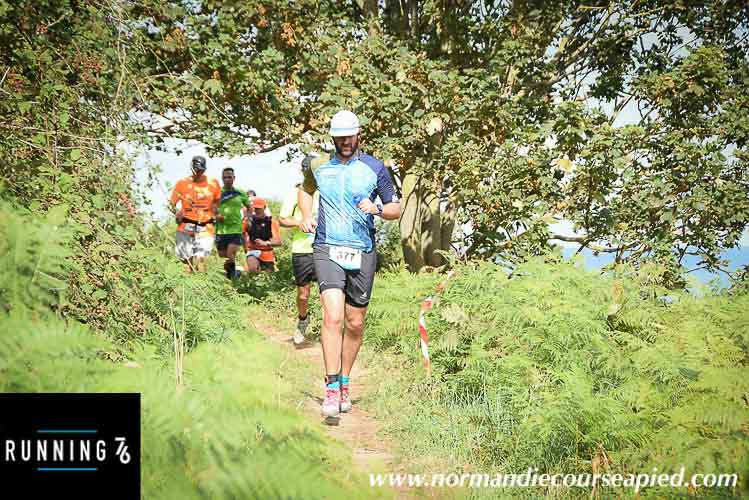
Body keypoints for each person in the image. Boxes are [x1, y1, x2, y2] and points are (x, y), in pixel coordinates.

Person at [298, 110, 401, 418]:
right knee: (332, 317)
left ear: (359, 136)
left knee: (355, 323)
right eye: (339, 137)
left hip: (362, 250)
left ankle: (344, 382)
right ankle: (330, 387)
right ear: (333, 138)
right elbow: (305, 191)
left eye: (349, 137)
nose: (345, 142)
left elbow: (395, 208)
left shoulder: (375, 167)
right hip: (327, 247)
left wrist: (377, 209)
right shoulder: (319, 165)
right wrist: (306, 215)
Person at [279, 156, 326, 344]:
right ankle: (302, 320)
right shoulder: (295, 192)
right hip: (302, 249)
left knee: (327, 293)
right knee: (303, 294)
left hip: (325, 247)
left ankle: (328, 331)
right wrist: (300, 222)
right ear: (302, 171)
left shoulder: (326, 190)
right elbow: (283, 220)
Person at [169, 155, 221, 273]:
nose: (198, 173)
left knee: (200, 261)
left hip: (206, 226)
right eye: (196, 170)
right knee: (186, 263)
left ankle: (201, 282)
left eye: (201, 170)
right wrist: (177, 213)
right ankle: (188, 283)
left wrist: (215, 213)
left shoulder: (213, 183)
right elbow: (171, 204)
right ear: (191, 168)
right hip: (185, 225)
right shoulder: (182, 183)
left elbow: (217, 202)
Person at [216, 167, 251, 279]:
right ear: (222, 178)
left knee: (230, 254)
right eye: (225, 177)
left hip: (236, 229)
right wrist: (216, 216)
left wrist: (248, 219)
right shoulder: (217, 193)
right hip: (221, 230)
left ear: (234, 178)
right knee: (223, 257)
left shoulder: (240, 193)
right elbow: (210, 208)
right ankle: (233, 274)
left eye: (229, 177)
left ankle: (233, 278)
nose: (227, 179)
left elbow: (249, 207)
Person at [243, 197, 282, 272]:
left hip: (267, 254)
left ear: (264, 207)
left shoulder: (272, 222)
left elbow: (278, 242)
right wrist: (246, 249)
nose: (256, 210)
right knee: (252, 267)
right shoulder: (248, 222)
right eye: (255, 208)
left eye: (258, 208)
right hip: (253, 252)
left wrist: (265, 243)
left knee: (268, 276)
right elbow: (242, 234)